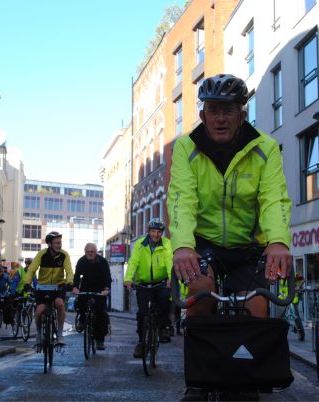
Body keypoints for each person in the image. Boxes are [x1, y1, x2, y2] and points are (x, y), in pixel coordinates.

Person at [166, 74, 292, 400]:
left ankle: (248, 375)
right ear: (203, 114)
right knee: (200, 293)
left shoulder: (264, 147)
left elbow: (274, 198)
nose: (220, 118)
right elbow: (181, 198)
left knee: (257, 306)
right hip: (204, 245)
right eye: (213, 110)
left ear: (242, 113)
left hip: (249, 246)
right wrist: (182, 246)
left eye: (228, 110)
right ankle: (197, 380)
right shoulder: (186, 147)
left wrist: (278, 240)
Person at [123, 218, 173, 358]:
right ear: (148, 231)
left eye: (158, 232)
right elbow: (134, 262)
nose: (156, 235)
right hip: (143, 283)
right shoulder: (140, 244)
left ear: (162, 233)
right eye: (153, 231)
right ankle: (141, 343)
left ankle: (163, 328)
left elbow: (169, 260)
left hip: (161, 282)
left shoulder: (167, 244)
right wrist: (128, 278)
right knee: (142, 313)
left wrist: (170, 277)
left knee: (164, 301)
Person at [23, 231, 73, 346]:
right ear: (50, 244)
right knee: (39, 311)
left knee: (60, 304)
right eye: (56, 243)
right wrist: (27, 283)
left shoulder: (64, 255)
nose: (59, 245)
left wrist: (69, 282)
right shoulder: (42, 254)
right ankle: (39, 334)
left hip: (58, 287)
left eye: (60, 242)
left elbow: (69, 271)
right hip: (43, 288)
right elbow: (31, 270)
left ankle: (60, 334)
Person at [72, 242, 112, 350]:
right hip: (86, 287)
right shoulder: (81, 261)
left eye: (92, 251)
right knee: (81, 302)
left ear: (96, 252)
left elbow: (107, 276)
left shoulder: (102, 261)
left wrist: (106, 289)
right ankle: (81, 320)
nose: (90, 253)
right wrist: (75, 287)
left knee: (100, 314)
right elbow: (76, 276)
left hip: (100, 289)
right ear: (85, 252)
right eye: (88, 252)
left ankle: (100, 341)